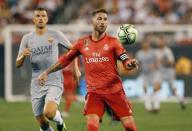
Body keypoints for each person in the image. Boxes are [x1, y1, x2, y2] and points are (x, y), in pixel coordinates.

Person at [38, 9, 138, 131]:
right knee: (92, 126)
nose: (102, 22)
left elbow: (124, 59)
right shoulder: (82, 43)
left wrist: (129, 63)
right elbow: (65, 59)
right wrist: (47, 72)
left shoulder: (114, 42)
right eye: (99, 19)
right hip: (94, 93)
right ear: (92, 21)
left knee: (130, 127)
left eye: (105, 19)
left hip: (115, 91)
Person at [16, 7, 80, 131]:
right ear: (33, 20)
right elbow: (18, 64)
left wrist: (76, 69)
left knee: (49, 113)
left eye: (43, 16)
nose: (41, 18)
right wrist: (22, 55)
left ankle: (60, 121)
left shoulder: (55, 34)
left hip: (54, 80)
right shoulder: (27, 39)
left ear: (47, 19)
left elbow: (74, 51)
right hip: (36, 83)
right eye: (38, 16)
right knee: (43, 123)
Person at [155, 36, 186, 110]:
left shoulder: (167, 51)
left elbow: (171, 63)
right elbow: (157, 62)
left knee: (173, 90)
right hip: (161, 72)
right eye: (158, 41)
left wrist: (163, 61)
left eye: (160, 41)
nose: (159, 43)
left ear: (163, 42)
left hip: (169, 72)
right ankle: (156, 106)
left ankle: (182, 100)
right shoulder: (157, 51)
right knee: (156, 88)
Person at [136, 40, 160, 112]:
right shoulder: (139, 53)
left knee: (155, 88)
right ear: (142, 44)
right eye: (144, 43)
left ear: (148, 44)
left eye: (146, 43)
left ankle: (156, 106)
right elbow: (137, 63)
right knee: (145, 89)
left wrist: (154, 65)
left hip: (153, 73)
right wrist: (138, 67)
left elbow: (157, 61)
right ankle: (148, 106)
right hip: (144, 73)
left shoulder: (153, 52)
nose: (145, 44)